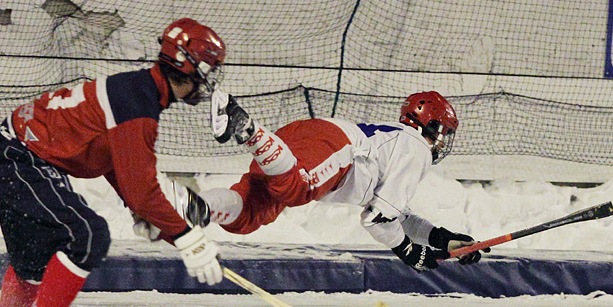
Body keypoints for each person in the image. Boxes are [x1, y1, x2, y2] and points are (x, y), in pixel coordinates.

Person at [0, 18, 226, 307]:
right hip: (22, 158)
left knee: (33, 263)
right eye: (208, 70)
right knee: (88, 236)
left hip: (14, 151)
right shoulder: (138, 103)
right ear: (188, 65)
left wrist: (138, 208)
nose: (209, 82)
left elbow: (117, 162)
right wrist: (187, 238)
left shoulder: (138, 92)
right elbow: (141, 185)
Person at [192, 89, 488, 270]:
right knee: (298, 190)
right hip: (333, 144)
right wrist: (409, 252)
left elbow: (396, 215)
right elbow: (379, 220)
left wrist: (444, 239)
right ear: (432, 125)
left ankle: (191, 206)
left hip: (302, 140)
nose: (442, 142)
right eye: (444, 133)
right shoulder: (417, 148)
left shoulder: (398, 145)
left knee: (248, 214)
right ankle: (246, 127)